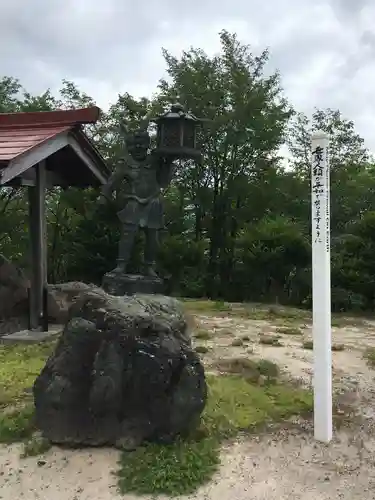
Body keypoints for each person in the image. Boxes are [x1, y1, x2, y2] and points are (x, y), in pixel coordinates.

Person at [100, 125, 175, 278]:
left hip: (153, 201)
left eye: (142, 143)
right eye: (134, 144)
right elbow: (113, 181)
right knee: (128, 234)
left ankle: (148, 266)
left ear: (148, 144)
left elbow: (163, 181)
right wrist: (104, 196)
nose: (138, 146)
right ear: (129, 146)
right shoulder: (125, 162)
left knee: (153, 236)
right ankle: (121, 265)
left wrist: (168, 165)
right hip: (132, 201)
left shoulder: (155, 160)